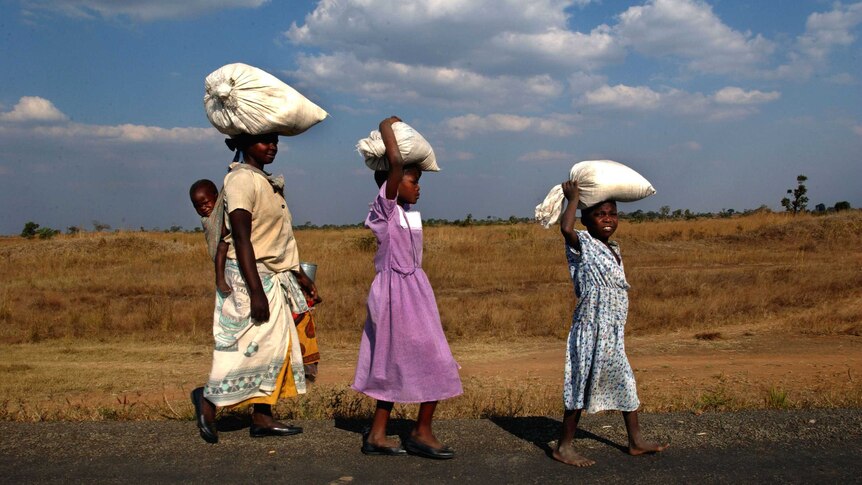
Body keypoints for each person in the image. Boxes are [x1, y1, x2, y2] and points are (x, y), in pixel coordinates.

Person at [191, 132, 320, 443]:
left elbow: (275, 240)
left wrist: (301, 277)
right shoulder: (240, 182)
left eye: (274, 140)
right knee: (243, 348)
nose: (272, 146)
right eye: (264, 141)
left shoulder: (265, 182)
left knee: (273, 348)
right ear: (243, 145)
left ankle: (262, 417)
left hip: (272, 277)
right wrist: (257, 292)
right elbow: (241, 239)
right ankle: (207, 399)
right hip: (250, 280)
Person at [352, 116, 462, 459]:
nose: (418, 186)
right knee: (436, 359)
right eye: (413, 180)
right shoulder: (384, 212)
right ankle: (420, 431)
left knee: (395, 361)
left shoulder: (408, 212)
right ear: (392, 183)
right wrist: (388, 125)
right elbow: (397, 163)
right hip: (394, 297)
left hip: (415, 292)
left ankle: (378, 434)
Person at [552, 180, 668, 466]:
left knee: (625, 381)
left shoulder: (614, 247)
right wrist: (574, 198)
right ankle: (564, 446)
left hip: (612, 332)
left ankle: (635, 441)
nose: (608, 219)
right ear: (585, 219)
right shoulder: (583, 244)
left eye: (612, 214)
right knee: (580, 383)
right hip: (591, 329)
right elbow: (565, 229)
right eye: (600, 214)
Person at [189, 179, 231, 295]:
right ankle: (220, 279)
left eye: (206, 202)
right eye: (198, 206)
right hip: (221, 248)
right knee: (222, 246)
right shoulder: (207, 219)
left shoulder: (220, 206)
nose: (203, 208)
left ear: (216, 197)